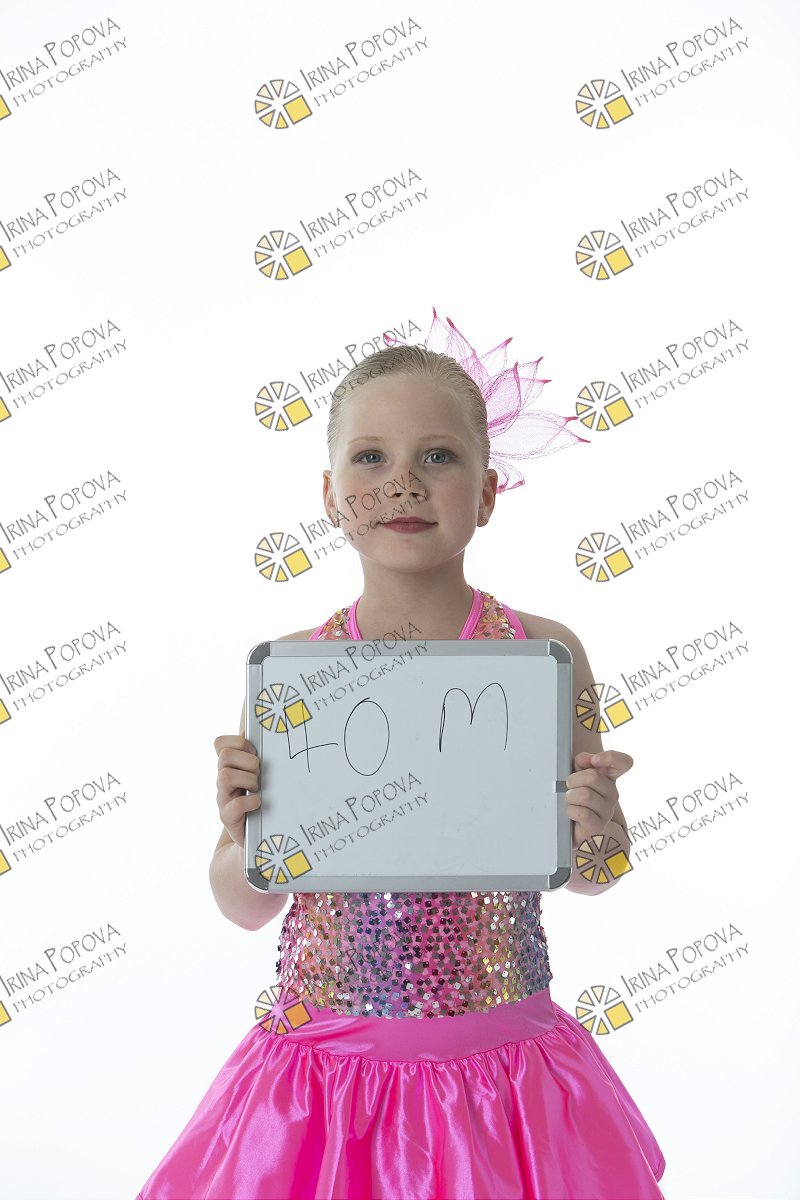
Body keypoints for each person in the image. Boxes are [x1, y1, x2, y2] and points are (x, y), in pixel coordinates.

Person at [135, 309, 667, 1199]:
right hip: (327, 1081)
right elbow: (245, 906)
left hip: (503, 1076)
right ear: (330, 494)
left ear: (488, 492)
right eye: (371, 458)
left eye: (439, 457)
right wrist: (239, 835)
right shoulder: (294, 673)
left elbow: (592, 874)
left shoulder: (544, 655)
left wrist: (600, 830)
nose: (404, 484)